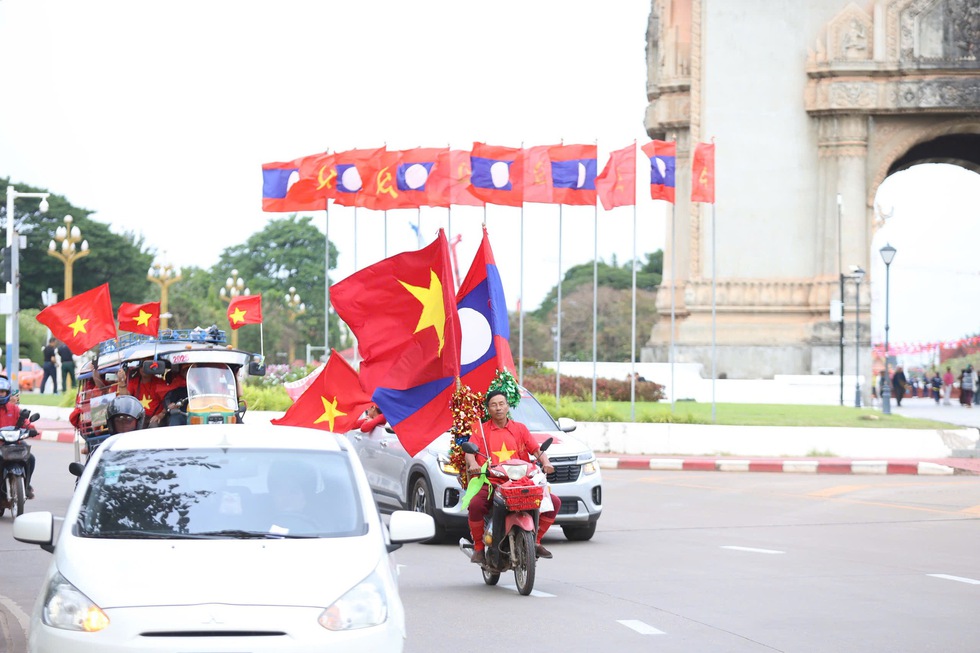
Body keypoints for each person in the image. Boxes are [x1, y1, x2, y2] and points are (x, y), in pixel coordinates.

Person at [464, 390, 560, 563]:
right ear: (488, 409)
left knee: (554, 502)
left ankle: (535, 541)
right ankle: (478, 547)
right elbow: (470, 453)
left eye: (501, 404)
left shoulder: (520, 429)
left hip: (520, 481)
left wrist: (546, 462)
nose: (498, 408)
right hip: (492, 480)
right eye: (494, 405)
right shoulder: (481, 431)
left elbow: (537, 450)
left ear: (508, 406)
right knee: (476, 504)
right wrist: (473, 464)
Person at [0, 375, 37, 499]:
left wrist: (31, 429)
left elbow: (25, 422)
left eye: (2, 392)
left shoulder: (14, 409)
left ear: (7, 392)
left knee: (30, 458)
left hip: (15, 444)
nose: (0, 394)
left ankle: (26, 486)